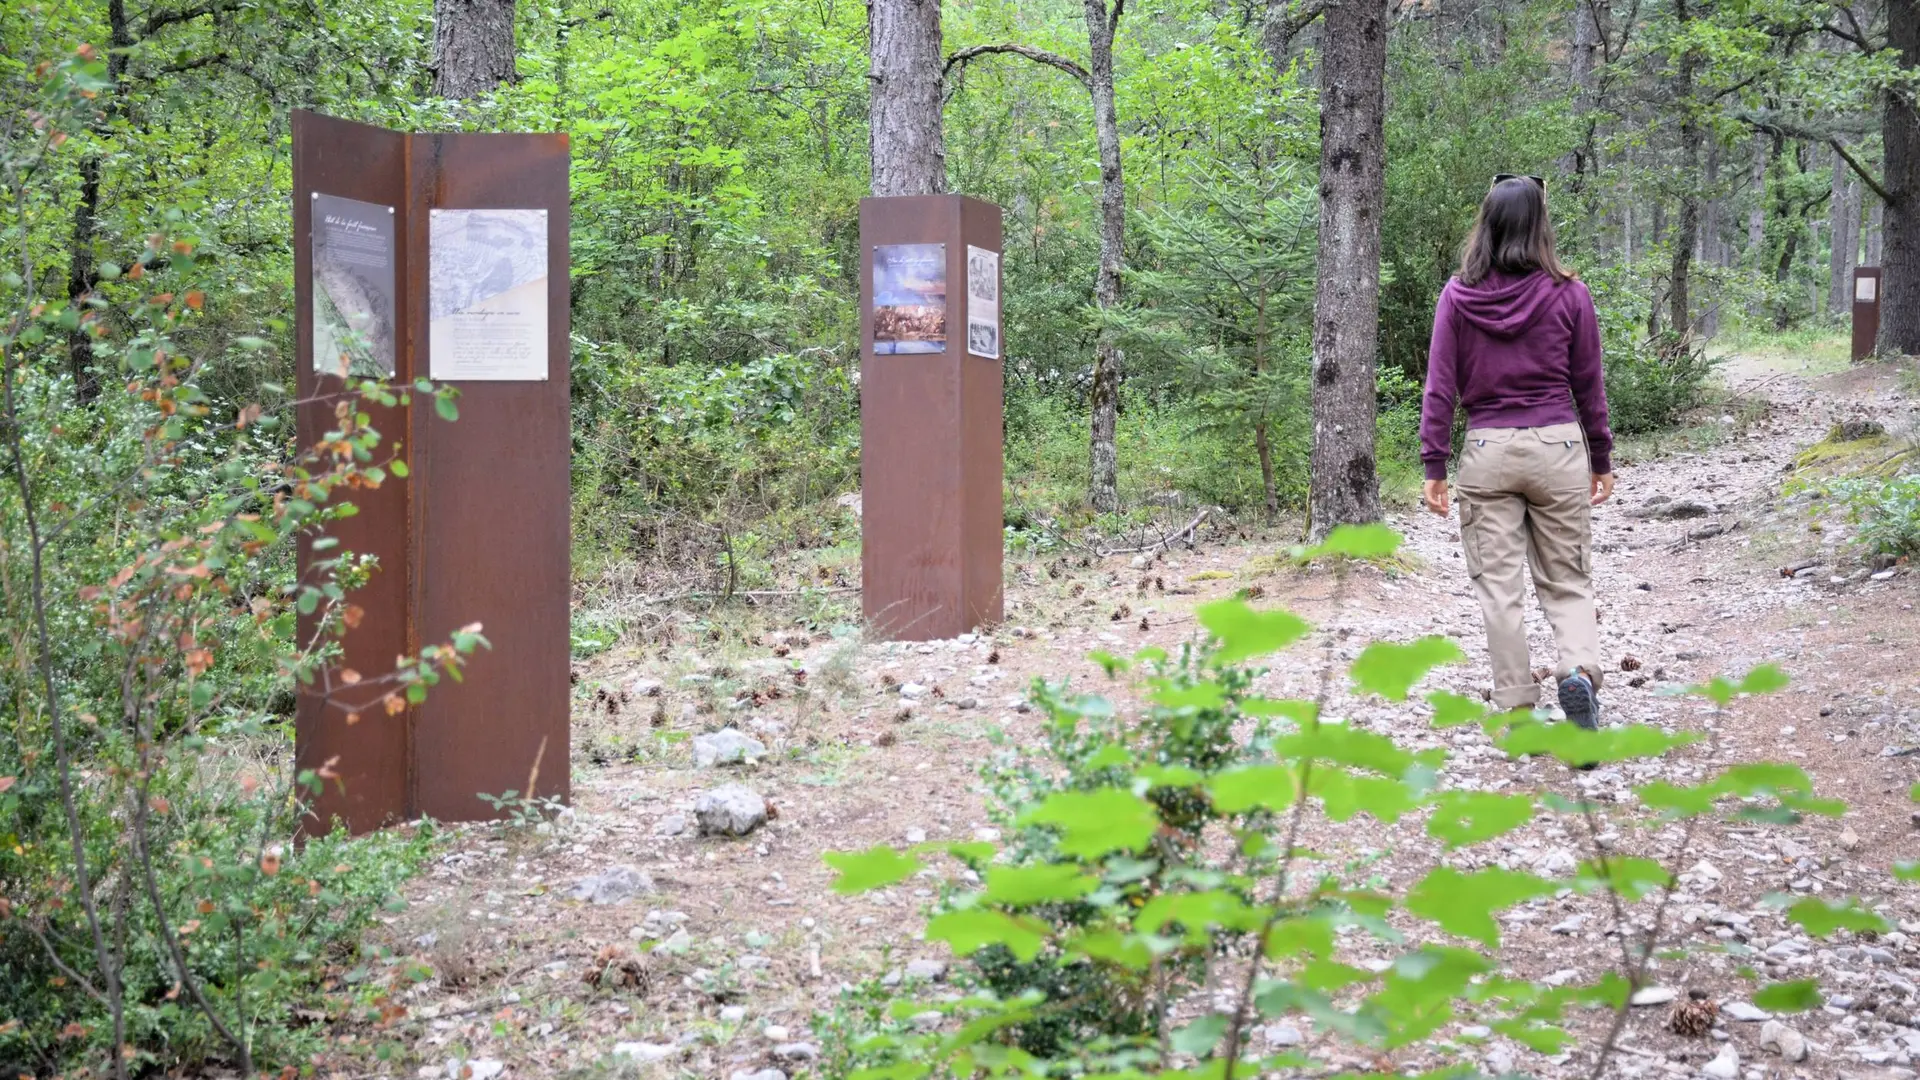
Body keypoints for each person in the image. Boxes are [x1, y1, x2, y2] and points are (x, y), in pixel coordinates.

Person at [1419, 174, 1615, 728]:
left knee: (1499, 587)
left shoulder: (1458, 296)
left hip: (1488, 448)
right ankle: (1577, 673)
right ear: (1541, 226)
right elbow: (1589, 385)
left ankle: (1516, 705)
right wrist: (1601, 458)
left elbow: (1440, 386)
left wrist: (1434, 464)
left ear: (1487, 225)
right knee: (1568, 578)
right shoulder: (1570, 293)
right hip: (1557, 446)